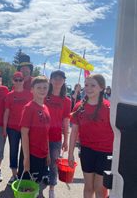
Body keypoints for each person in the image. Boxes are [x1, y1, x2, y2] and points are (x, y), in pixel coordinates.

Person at [68, 74, 114, 198]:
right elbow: (74, 133)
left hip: (105, 152)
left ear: (101, 88)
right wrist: (70, 154)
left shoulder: (110, 107)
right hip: (87, 151)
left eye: (93, 85)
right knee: (88, 187)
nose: (88, 88)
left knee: (100, 189)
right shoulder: (79, 107)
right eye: (86, 85)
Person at [18, 76, 51, 184]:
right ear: (32, 89)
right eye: (39, 87)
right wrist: (26, 158)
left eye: (45, 87)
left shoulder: (45, 108)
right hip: (31, 154)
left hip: (42, 153)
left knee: (37, 183)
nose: (42, 90)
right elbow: (24, 134)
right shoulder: (29, 108)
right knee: (27, 186)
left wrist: (48, 153)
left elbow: (46, 133)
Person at [44, 70, 71, 198]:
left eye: (60, 78)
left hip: (55, 136)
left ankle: (51, 188)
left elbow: (66, 121)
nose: (57, 80)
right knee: (41, 161)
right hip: (41, 134)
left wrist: (66, 139)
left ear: (64, 81)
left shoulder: (66, 100)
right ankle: (37, 186)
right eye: (55, 77)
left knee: (54, 163)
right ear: (51, 80)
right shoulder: (44, 96)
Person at [3, 71, 33, 185]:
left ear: (23, 81)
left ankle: (23, 173)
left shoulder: (29, 94)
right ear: (13, 81)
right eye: (16, 80)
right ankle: (14, 175)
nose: (18, 82)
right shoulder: (9, 95)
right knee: (13, 151)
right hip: (12, 128)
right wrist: (4, 129)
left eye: (20, 80)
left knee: (25, 151)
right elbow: (6, 113)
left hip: (26, 128)